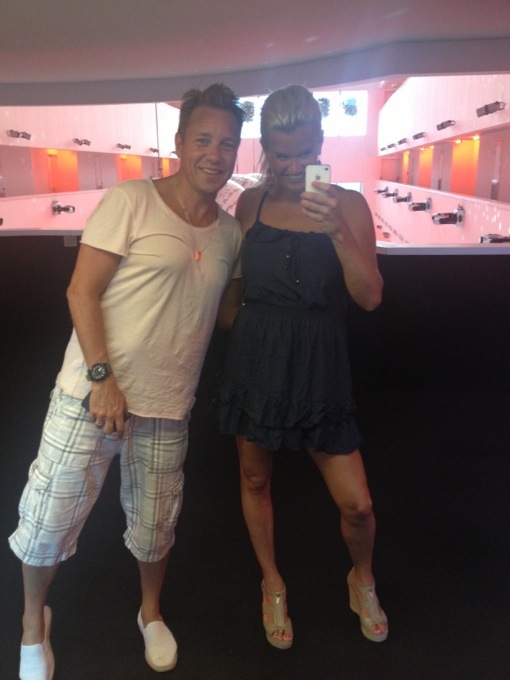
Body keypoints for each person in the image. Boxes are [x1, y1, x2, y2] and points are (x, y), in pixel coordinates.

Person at [9, 82, 245, 679]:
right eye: (203, 140)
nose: (215, 154)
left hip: (168, 406)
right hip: (91, 397)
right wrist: (102, 378)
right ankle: (33, 623)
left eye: (227, 143)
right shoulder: (131, 200)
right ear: (179, 143)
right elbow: (80, 290)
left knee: (154, 527)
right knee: (47, 521)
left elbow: (230, 316)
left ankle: (150, 613)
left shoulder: (230, 233)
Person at [215, 85, 387, 650]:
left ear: (321, 142)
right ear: (265, 147)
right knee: (254, 479)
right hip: (257, 363)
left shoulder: (349, 206)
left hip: (320, 367)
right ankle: (272, 582)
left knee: (357, 504)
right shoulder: (250, 203)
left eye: (304, 152)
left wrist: (337, 229)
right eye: (281, 154)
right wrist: (247, 334)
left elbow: (369, 297)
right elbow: (234, 289)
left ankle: (361, 577)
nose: (292, 167)